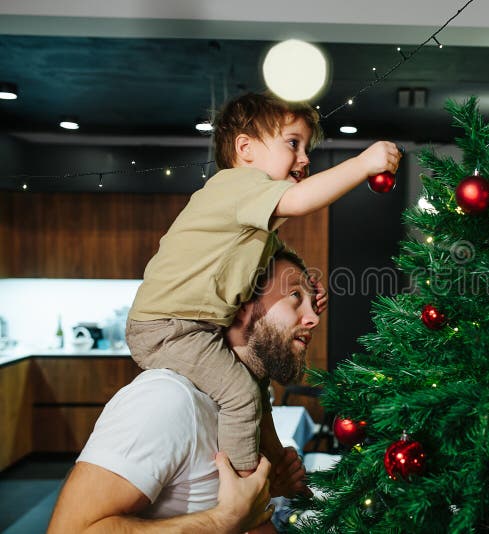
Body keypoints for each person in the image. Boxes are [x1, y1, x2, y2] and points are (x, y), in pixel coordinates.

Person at [125, 92, 402, 474]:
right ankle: (243, 487)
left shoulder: (251, 215)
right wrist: (362, 163)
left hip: (195, 327)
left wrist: (304, 290)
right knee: (240, 395)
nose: (305, 158)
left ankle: (273, 465)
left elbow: (273, 264)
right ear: (245, 148)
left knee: (255, 386)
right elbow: (303, 200)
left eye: (306, 147)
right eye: (293, 143)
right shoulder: (236, 185)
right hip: (168, 328)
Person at [48, 249, 320, 533]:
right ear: (240, 305)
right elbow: (69, 529)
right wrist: (221, 521)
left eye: (312, 303)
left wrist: (268, 489)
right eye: (294, 297)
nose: (313, 317)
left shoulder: (246, 405)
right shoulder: (166, 399)